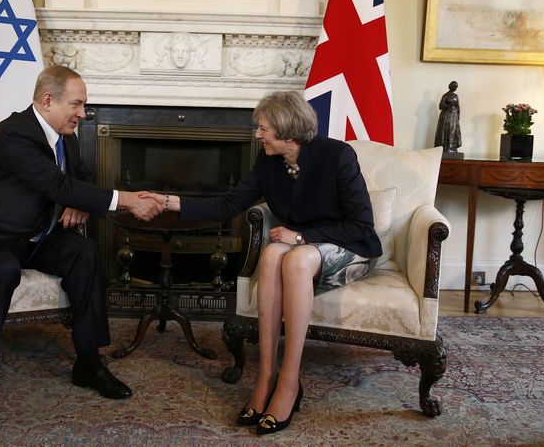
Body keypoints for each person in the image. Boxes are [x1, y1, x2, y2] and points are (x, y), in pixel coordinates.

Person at [0, 65, 163, 434]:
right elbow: (54, 183)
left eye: (84, 105)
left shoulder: (63, 135)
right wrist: (127, 201)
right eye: (77, 104)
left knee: (83, 253)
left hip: (31, 235)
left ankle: (88, 362)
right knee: (2, 269)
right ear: (47, 100)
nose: (83, 114)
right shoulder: (14, 134)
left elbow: (80, 179)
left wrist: (80, 203)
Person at [142, 90, 381, 436]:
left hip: (351, 245)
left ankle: (289, 381)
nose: (257, 135)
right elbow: (226, 204)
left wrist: (301, 236)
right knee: (270, 255)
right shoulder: (269, 163)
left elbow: (361, 225)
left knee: (296, 260)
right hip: (306, 246)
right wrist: (167, 201)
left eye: (263, 128)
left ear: (287, 129)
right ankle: (265, 375)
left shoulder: (338, 156)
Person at [434, 80, 461, 154]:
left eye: (456, 87)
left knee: (453, 131)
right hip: (446, 116)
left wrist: (458, 116)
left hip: (454, 116)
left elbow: (458, 107)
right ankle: (445, 147)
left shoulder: (456, 96)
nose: (455, 88)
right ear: (450, 86)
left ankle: (452, 147)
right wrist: (449, 105)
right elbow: (440, 106)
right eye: (454, 86)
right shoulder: (445, 95)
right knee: (446, 130)